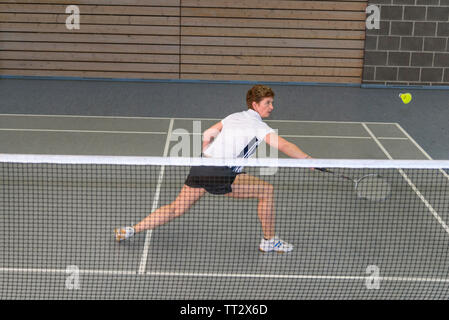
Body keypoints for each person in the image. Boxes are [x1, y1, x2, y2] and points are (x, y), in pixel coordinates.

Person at [115, 85, 312, 253]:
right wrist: (307, 159)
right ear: (255, 105)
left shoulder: (234, 116)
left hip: (202, 166)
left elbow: (208, 133)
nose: (271, 107)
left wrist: (207, 153)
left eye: (271, 102)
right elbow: (284, 145)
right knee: (267, 191)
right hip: (220, 173)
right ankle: (269, 241)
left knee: (176, 208)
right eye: (267, 103)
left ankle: (132, 229)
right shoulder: (259, 127)